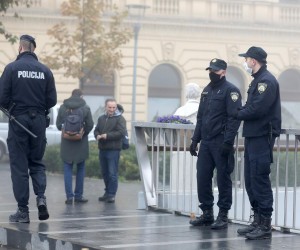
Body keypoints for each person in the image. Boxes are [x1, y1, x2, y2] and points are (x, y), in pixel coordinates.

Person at [0, 34, 57, 223]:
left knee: (19, 166)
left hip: (19, 121)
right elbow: (52, 101)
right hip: (39, 121)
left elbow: (1, 98)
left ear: (20, 48)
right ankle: (41, 198)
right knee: (37, 162)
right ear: (33, 49)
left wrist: (13, 107)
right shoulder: (45, 71)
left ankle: (23, 211)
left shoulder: (11, 69)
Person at [189, 58, 242, 229]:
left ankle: (223, 215)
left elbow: (234, 119)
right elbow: (200, 117)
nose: (212, 73)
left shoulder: (231, 91)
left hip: (221, 142)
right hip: (206, 142)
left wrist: (228, 142)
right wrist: (195, 140)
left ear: (224, 72)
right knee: (202, 177)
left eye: (216, 71)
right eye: (211, 70)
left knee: (223, 179)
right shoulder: (206, 91)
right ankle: (207, 213)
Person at [236, 46, 281, 240]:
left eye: (246, 59)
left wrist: (235, 113)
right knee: (250, 179)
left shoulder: (266, 81)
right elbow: (250, 106)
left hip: (262, 136)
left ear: (253, 61)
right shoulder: (257, 81)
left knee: (260, 179)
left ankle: (265, 224)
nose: (245, 62)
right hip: (253, 135)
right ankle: (257, 219)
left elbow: (257, 109)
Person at [56, 89, 94, 204]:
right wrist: (81, 134)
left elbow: (58, 125)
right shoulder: (85, 107)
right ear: (81, 96)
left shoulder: (63, 107)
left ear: (71, 95)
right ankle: (78, 196)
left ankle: (69, 197)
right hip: (80, 143)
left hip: (66, 142)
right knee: (81, 168)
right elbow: (90, 124)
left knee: (67, 168)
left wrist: (66, 133)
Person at [94, 98, 127, 203]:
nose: (112, 109)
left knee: (112, 173)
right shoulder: (101, 118)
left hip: (113, 149)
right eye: (110, 107)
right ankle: (107, 192)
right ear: (106, 107)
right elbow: (96, 129)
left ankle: (112, 194)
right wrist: (97, 135)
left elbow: (121, 133)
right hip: (102, 148)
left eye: (114, 107)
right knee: (105, 173)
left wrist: (107, 136)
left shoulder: (120, 119)